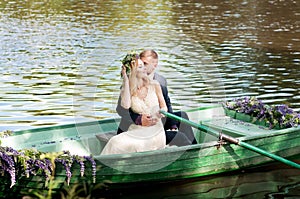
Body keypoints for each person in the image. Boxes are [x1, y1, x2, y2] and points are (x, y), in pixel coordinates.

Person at [116, 50, 197, 146]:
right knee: (179, 136)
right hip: (134, 125)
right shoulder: (129, 84)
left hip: (155, 120)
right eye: (140, 64)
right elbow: (121, 110)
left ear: (154, 65)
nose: (143, 67)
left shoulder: (160, 81)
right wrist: (139, 119)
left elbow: (167, 103)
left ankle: (195, 149)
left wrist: (172, 124)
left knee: (182, 116)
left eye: (145, 64)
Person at [101, 55, 167, 155]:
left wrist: (161, 113)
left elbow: (164, 107)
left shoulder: (155, 84)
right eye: (140, 67)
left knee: (135, 144)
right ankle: (102, 167)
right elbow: (125, 106)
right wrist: (126, 80)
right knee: (114, 141)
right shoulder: (128, 90)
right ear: (133, 72)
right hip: (136, 129)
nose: (145, 68)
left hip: (155, 129)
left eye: (144, 65)